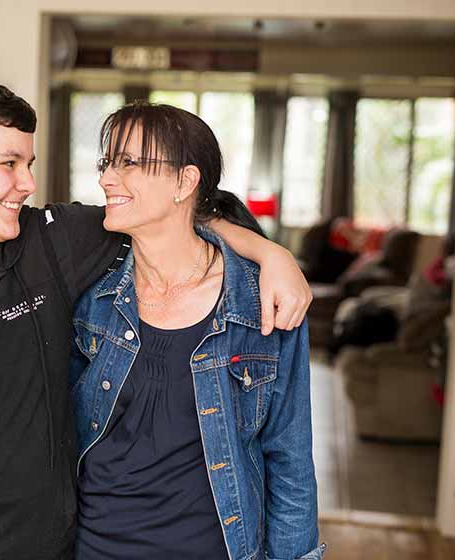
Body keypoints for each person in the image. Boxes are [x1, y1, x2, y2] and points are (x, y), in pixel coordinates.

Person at [0, 76, 312, 560]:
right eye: (9, 163)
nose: (28, 183)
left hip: (45, 548)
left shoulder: (50, 244)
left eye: (27, 163)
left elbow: (168, 215)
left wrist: (272, 255)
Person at [70, 102, 324, 560]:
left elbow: (290, 464)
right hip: (94, 547)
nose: (107, 178)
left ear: (185, 182)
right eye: (107, 162)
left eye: (129, 162)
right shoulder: (90, 288)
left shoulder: (261, 301)